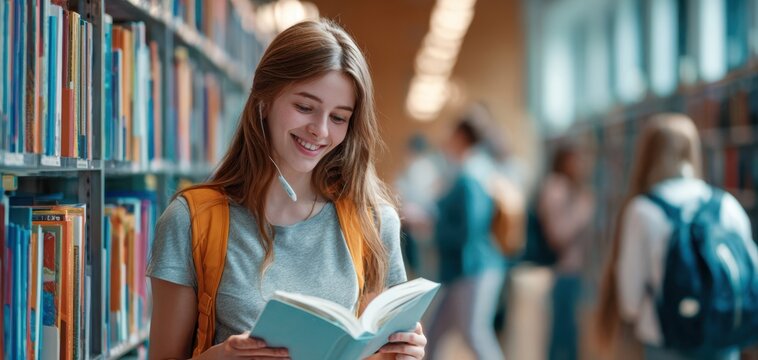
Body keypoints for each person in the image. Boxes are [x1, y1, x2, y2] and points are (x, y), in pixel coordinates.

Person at [146, 19, 427, 360]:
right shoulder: (191, 220)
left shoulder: (372, 221)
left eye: (338, 117)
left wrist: (405, 354)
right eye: (305, 107)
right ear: (264, 100)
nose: (320, 131)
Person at [596, 113, 754, 359]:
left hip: (668, 343)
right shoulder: (726, 205)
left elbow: (629, 303)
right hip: (722, 340)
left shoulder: (643, 210)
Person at [426, 105, 507, 360]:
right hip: (463, 270)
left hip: (474, 268)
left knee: (474, 333)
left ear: (461, 137)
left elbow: (467, 230)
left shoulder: (471, 176)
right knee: (433, 335)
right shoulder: (471, 171)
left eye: (451, 133)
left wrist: (431, 224)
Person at [539, 142, 595, 360]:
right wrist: (583, 210)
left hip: (572, 271)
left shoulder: (567, 187)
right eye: (576, 159)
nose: (580, 165)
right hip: (562, 271)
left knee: (567, 333)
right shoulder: (556, 187)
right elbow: (557, 235)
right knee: (563, 335)